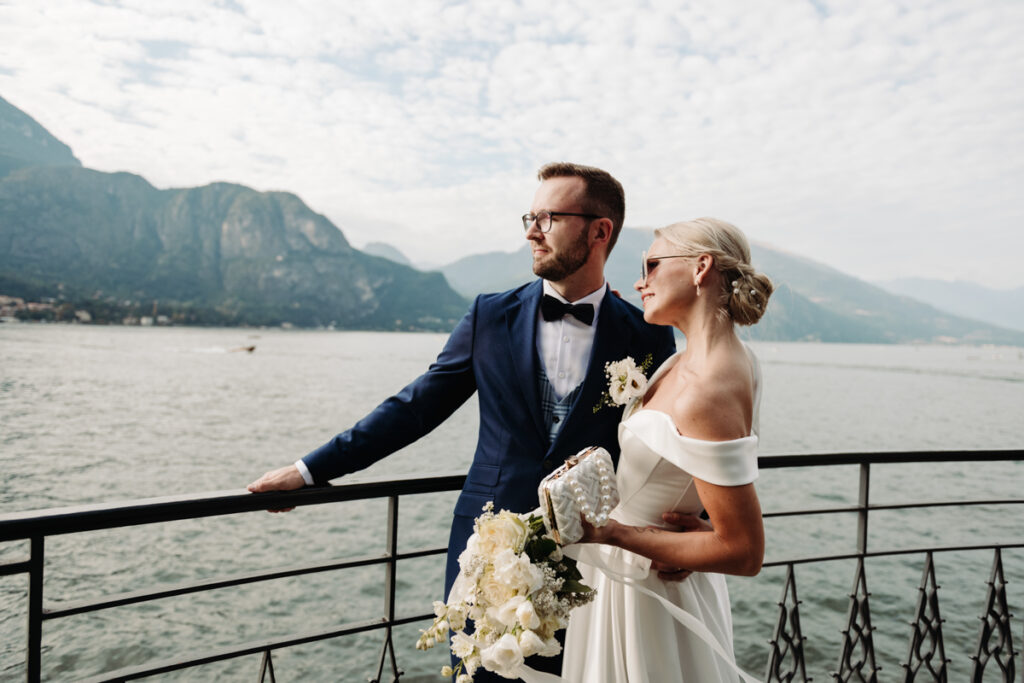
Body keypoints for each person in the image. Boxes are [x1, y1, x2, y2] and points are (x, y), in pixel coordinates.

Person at [247, 162, 676, 680]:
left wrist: (689, 529)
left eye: (548, 217)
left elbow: (664, 443)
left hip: (595, 559)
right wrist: (309, 470)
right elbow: (415, 408)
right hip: (487, 552)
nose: (530, 231)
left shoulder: (648, 334)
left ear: (599, 230)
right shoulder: (489, 317)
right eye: (529, 216)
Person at [561, 217, 773, 683]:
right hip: (644, 571)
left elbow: (744, 551)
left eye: (652, 265)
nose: (641, 281)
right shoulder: (691, 360)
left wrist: (614, 535)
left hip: (648, 591)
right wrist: (696, 534)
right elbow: (703, 481)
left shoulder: (706, 387)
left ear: (701, 268)